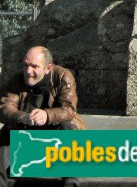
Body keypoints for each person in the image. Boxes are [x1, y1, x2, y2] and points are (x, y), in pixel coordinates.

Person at [0, 46, 86, 187]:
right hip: (27, 127)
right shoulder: (17, 79)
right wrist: (21, 116)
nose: (28, 71)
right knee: (7, 132)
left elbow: (69, 109)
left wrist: (47, 115)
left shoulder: (63, 77)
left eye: (34, 67)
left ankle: (71, 181)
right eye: (25, 65)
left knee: (67, 127)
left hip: (54, 127)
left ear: (48, 68)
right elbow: (5, 108)